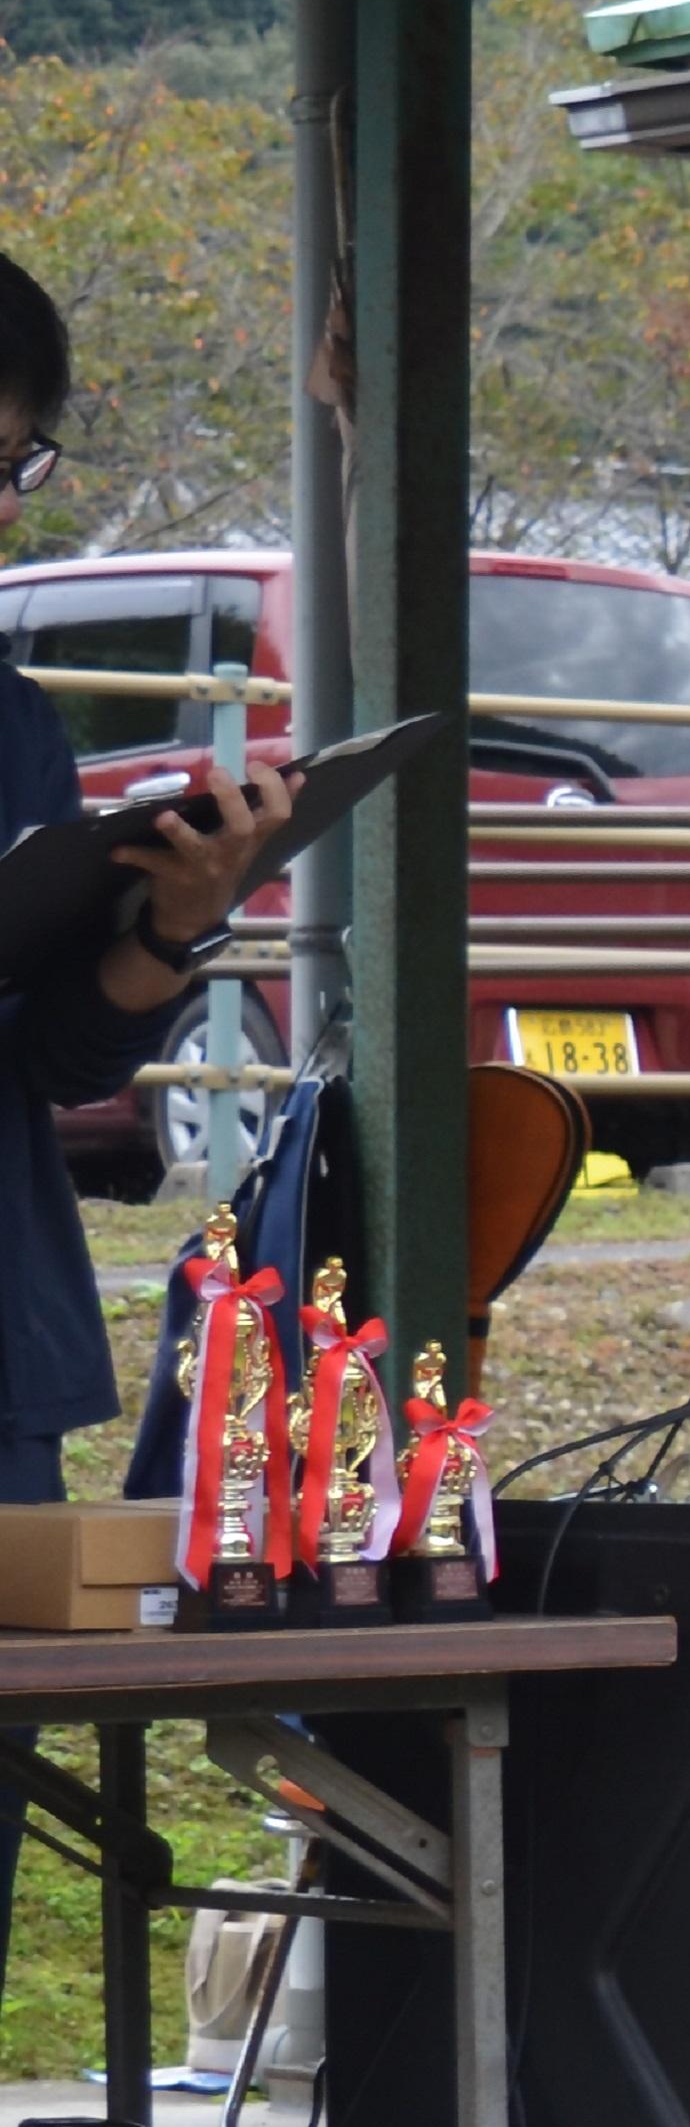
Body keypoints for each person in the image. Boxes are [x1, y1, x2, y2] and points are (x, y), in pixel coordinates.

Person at [0, 248, 296, 1502]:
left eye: (16, 465)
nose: (8, 505)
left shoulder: (14, 730)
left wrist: (175, 924)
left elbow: (54, 1063)